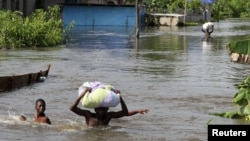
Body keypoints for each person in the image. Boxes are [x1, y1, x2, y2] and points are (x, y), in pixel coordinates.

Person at [70, 87, 149, 127]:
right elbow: (72, 108)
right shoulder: (89, 115)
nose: (101, 111)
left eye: (103, 109)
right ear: (95, 109)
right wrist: (84, 93)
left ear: (107, 109)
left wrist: (119, 97)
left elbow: (125, 113)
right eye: (99, 109)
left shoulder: (108, 116)